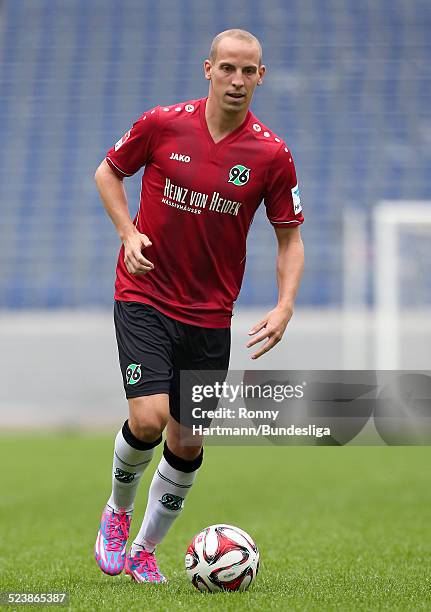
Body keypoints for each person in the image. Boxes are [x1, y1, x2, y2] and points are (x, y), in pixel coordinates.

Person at [94, 28, 304, 584]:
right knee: (151, 417)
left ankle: (144, 549)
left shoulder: (272, 155)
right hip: (144, 294)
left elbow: (289, 237)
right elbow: (109, 172)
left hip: (211, 316)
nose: (237, 80)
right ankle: (116, 513)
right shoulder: (163, 123)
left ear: (262, 76)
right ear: (207, 69)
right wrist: (126, 231)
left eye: (248, 71)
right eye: (228, 68)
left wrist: (284, 305)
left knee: (186, 443)